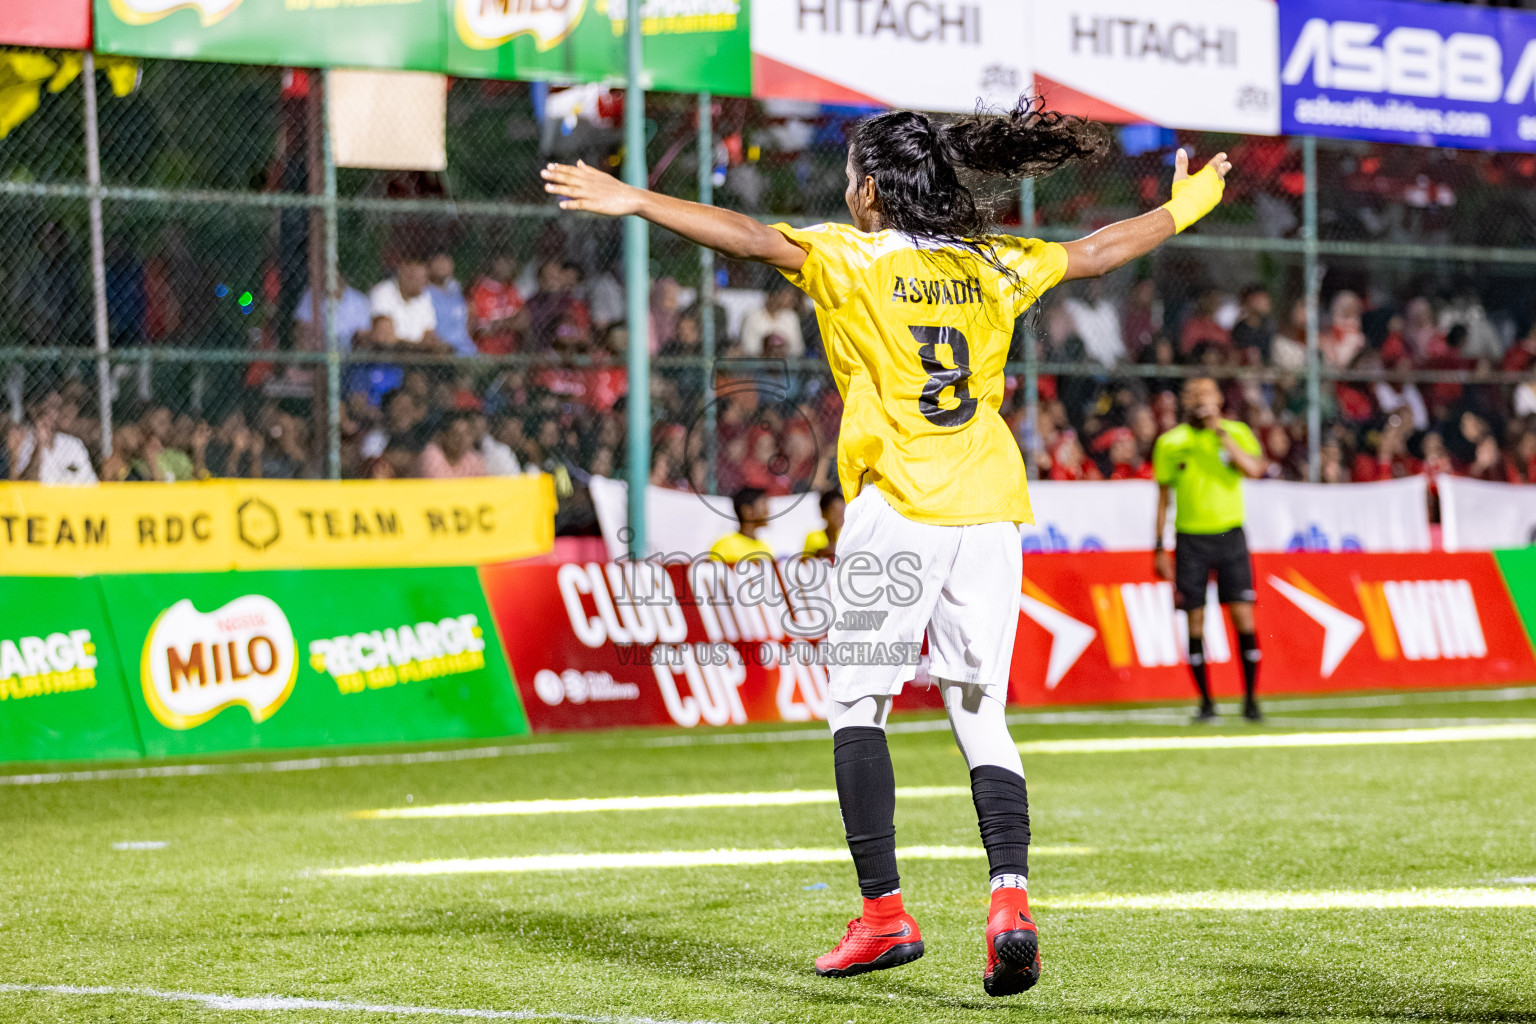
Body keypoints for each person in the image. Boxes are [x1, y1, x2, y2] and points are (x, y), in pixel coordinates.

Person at [542, 96, 1232, 996]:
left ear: (871, 189)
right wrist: (1184, 208)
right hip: (989, 509)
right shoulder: (996, 264)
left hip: (897, 510)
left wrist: (636, 198)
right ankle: (1011, 902)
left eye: (846, 182)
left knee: (856, 706)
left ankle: (882, 914)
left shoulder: (854, 257)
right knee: (980, 713)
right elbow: (1100, 249)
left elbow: (750, 237)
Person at [1153, 377, 1267, 724]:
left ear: (1219, 399)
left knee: (1243, 615)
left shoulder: (1236, 432)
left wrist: (1222, 436)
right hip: (1191, 540)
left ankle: (1250, 700)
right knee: (1195, 618)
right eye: (1195, 394)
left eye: (1208, 395)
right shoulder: (1171, 443)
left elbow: (1255, 469)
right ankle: (1206, 703)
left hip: (1231, 536)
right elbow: (1162, 498)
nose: (1202, 400)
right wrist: (1159, 546)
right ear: (1186, 401)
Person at [709, 487, 773, 563]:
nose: (768, 511)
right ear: (747, 511)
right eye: (763, 505)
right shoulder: (725, 545)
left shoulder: (765, 547)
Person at [804, 489, 846, 558]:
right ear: (823, 513)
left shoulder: (846, 535)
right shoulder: (813, 538)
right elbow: (805, 563)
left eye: (842, 509)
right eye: (834, 510)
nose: (840, 514)